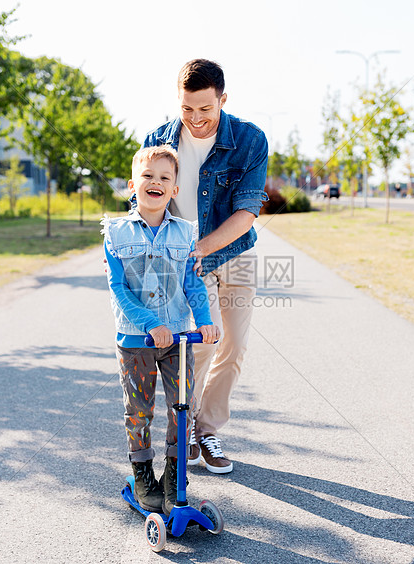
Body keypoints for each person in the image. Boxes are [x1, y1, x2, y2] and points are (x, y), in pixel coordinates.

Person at [143, 59, 268, 474]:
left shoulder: (250, 140)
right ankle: (184, 427)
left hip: (233, 252)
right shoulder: (159, 139)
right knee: (200, 343)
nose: (195, 119)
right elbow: (145, 198)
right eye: (187, 109)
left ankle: (207, 428)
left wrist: (200, 247)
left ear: (222, 100)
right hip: (187, 261)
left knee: (234, 345)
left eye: (205, 109)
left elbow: (248, 210)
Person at [102, 145, 220, 515]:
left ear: (174, 190)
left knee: (180, 407)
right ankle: (142, 472)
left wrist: (203, 321)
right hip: (136, 341)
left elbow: (193, 284)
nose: (155, 182)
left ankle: (173, 472)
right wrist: (151, 324)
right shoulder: (116, 233)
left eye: (165, 178)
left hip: (178, 341)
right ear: (131, 185)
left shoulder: (186, 234)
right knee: (139, 409)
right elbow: (119, 289)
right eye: (148, 176)